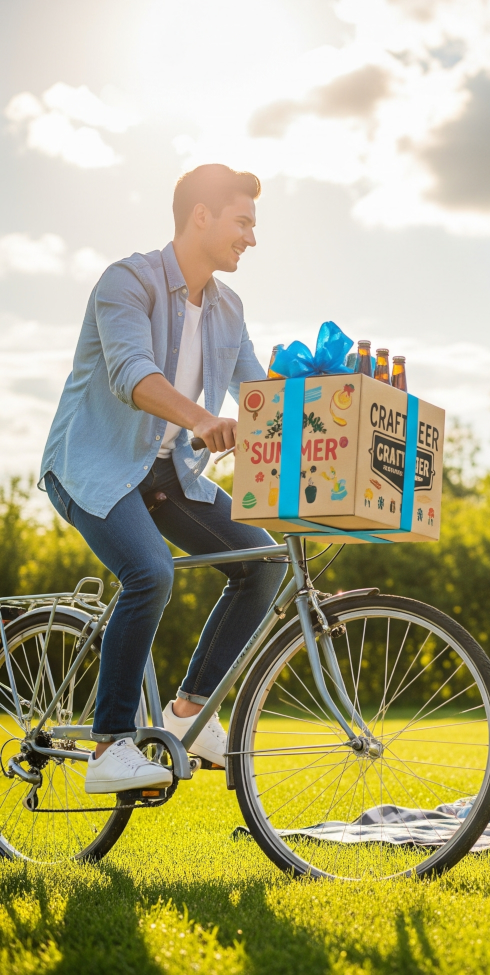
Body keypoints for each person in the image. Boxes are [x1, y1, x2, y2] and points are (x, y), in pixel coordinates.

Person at [40, 164, 286, 794]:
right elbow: (131, 373)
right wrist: (202, 419)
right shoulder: (128, 281)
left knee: (263, 562)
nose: (251, 238)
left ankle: (187, 712)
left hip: (166, 475)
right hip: (92, 466)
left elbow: (260, 395)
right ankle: (109, 747)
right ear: (201, 215)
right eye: (242, 222)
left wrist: (329, 406)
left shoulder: (228, 308)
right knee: (151, 572)